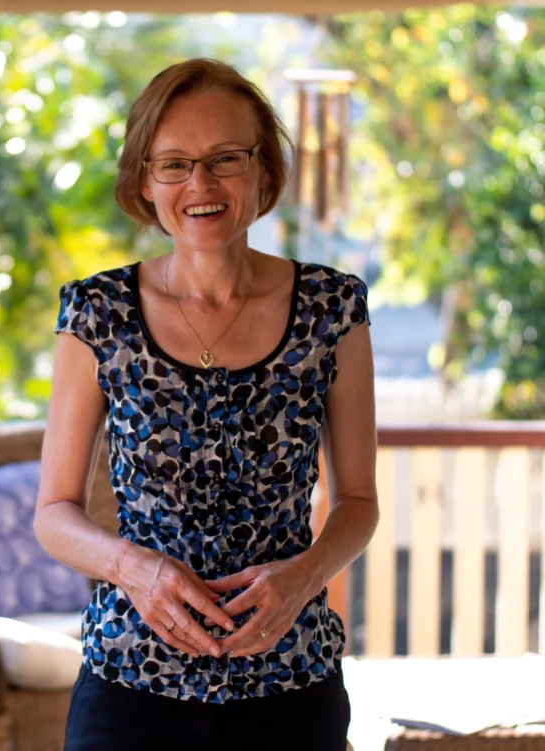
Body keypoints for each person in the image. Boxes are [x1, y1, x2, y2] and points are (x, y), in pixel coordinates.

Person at [34, 58, 378, 751]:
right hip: (130, 687)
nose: (201, 184)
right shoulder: (98, 313)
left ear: (263, 170)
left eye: (226, 158)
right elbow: (54, 513)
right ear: (144, 180)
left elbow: (360, 501)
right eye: (174, 164)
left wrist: (306, 573)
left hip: (291, 683)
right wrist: (136, 568)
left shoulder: (332, 308)